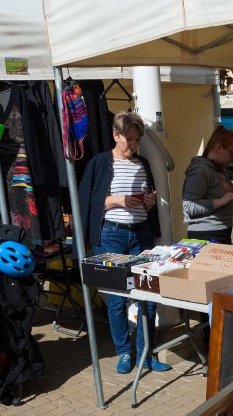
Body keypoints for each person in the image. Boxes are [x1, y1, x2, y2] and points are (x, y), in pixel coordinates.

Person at [78, 111, 169, 374]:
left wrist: (149, 201)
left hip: (141, 234)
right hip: (111, 235)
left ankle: (146, 353)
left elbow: (147, 195)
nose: (133, 145)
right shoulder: (100, 163)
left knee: (149, 297)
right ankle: (124, 353)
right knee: (117, 299)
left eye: (137, 140)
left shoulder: (143, 164)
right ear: (115, 135)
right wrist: (118, 200)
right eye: (128, 139)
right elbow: (88, 203)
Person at [182, 126, 233, 244]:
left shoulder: (218, 168)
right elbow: (188, 206)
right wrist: (220, 201)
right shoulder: (201, 170)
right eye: (232, 154)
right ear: (219, 148)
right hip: (206, 235)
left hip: (221, 232)